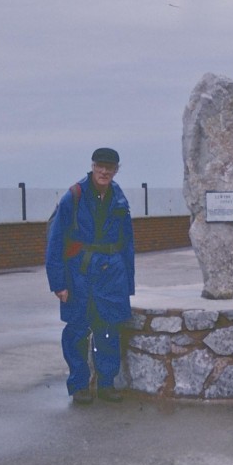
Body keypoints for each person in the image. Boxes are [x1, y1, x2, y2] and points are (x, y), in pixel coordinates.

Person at [45, 147, 135, 405]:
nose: (104, 171)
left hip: (112, 274)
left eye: (110, 167)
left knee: (108, 329)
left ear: (117, 170)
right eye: (100, 166)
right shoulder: (73, 196)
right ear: (93, 166)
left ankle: (106, 384)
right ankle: (79, 386)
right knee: (77, 331)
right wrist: (58, 283)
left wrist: (128, 281)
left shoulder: (119, 198)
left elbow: (127, 242)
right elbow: (55, 241)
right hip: (79, 274)